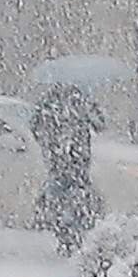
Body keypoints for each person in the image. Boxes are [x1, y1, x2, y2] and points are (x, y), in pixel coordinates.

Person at [30, 81, 105, 254]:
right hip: (78, 161)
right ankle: (76, 235)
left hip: (58, 161)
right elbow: (100, 124)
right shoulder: (81, 100)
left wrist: (49, 142)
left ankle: (63, 235)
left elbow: (35, 126)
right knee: (77, 197)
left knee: (60, 196)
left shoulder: (48, 102)